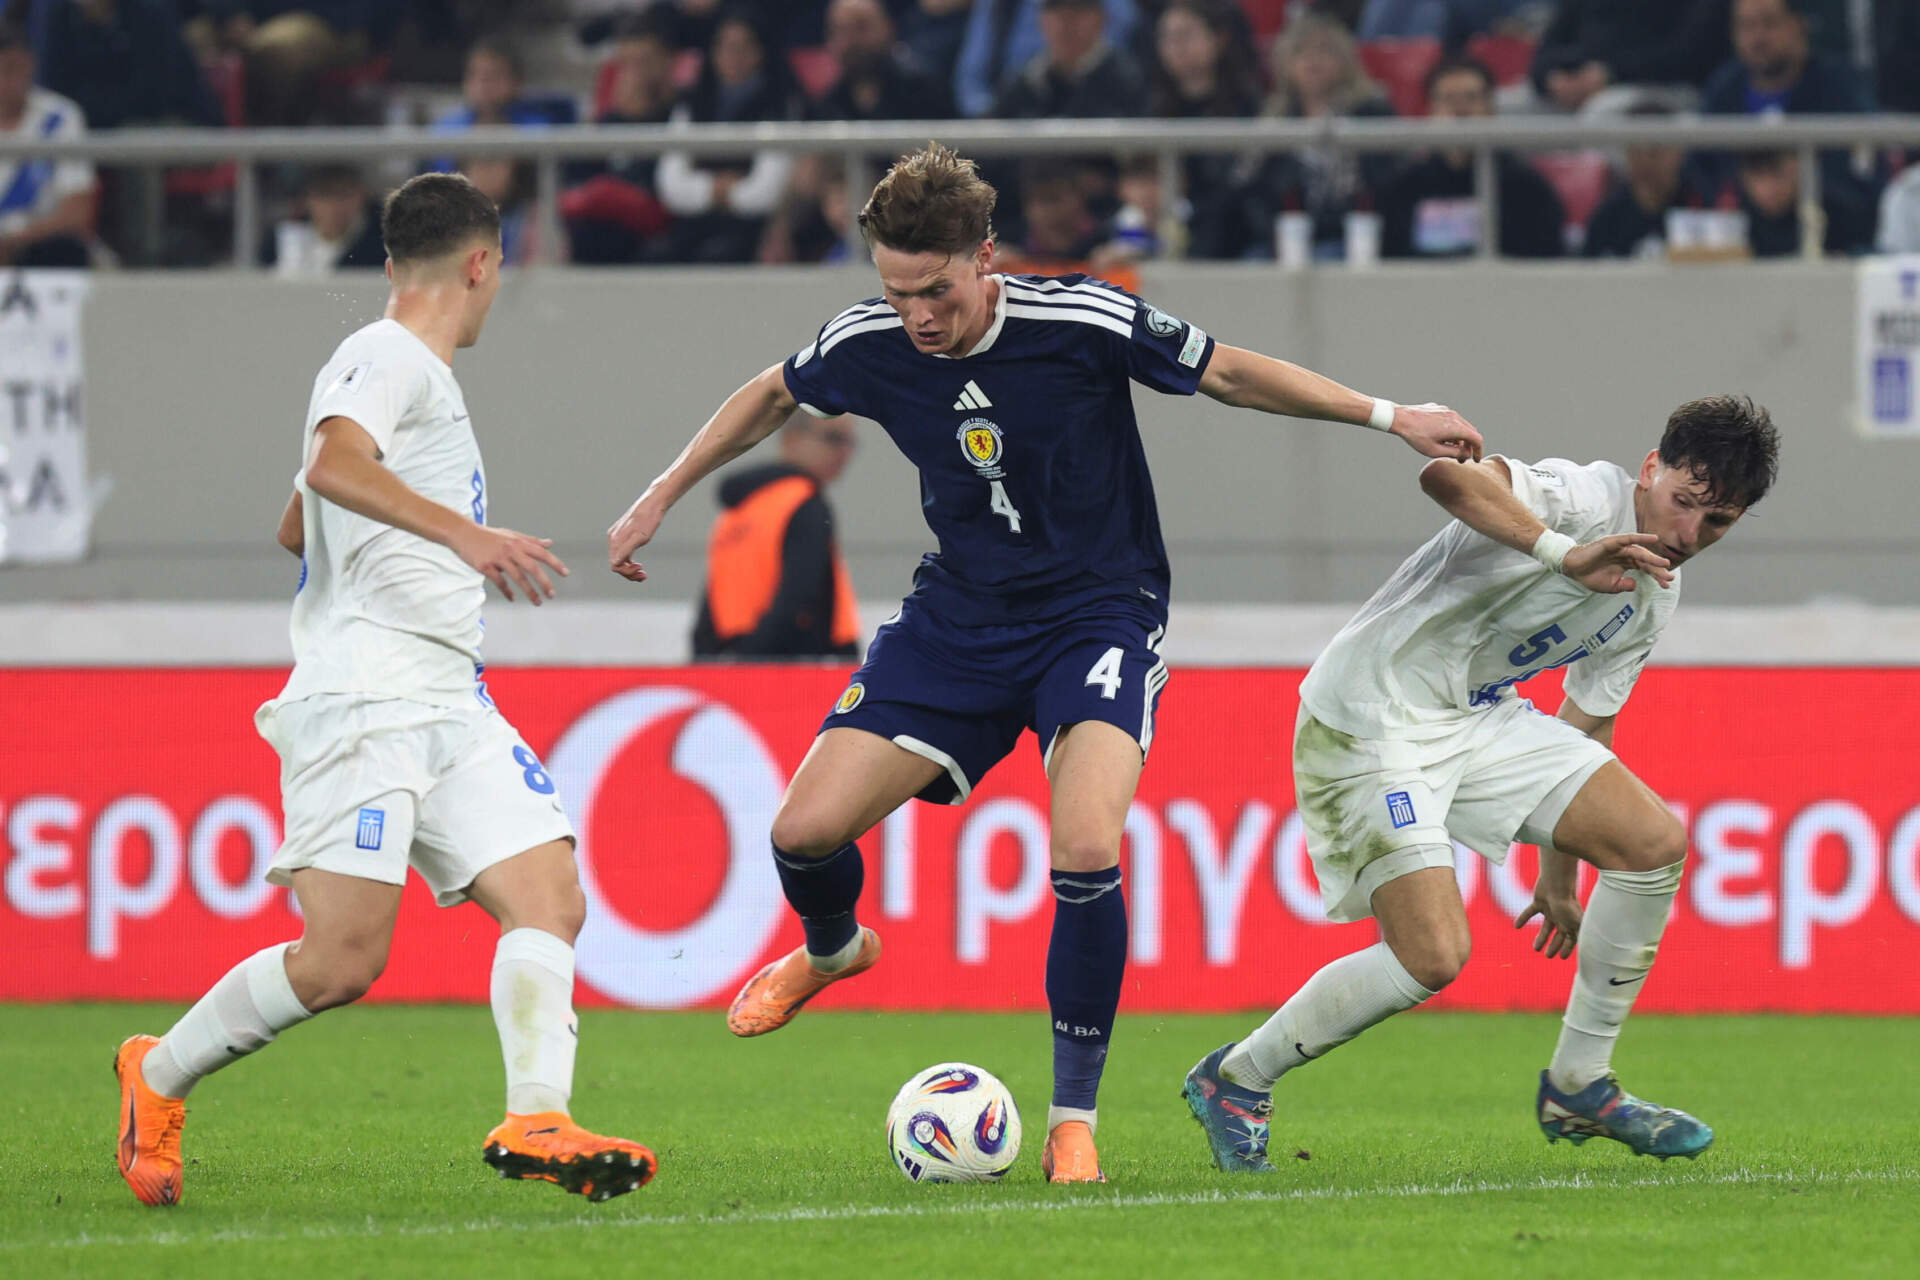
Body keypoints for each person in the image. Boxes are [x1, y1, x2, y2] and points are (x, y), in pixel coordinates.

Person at [605, 142, 1484, 1184]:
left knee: (1081, 844)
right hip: (957, 620)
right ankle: (835, 948)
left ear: (987, 261)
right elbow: (771, 393)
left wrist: (1392, 418)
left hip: (1097, 612)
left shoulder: (1082, 318)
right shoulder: (872, 340)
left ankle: (1074, 1119)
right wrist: (661, 488)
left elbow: (1233, 372)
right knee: (800, 831)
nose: (917, 316)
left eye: (935, 291)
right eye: (896, 292)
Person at [112, 173, 654, 1210]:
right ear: (482, 263)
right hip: (368, 692)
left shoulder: (411, 377)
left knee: (550, 894)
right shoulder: (386, 353)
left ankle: (537, 1114)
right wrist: (467, 534)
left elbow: (298, 518)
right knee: (342, 960)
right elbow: (330, 465)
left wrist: (382, 534)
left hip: (448, 691)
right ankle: (158, 1070)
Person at [1182, 395, 1780, 1173]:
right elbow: (1445, 477)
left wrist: (1557, 874)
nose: (1688, 535)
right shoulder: (1580, 495)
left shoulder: (1654, 592)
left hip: (1477, 718)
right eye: (1684, 504)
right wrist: (1563, 552)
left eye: (1718, 523)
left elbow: (1586, 722)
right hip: (1374, 713)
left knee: (1652, 844)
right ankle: (1237, 1078)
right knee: (1432, 957)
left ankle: (1580, 1084)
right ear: (1649, 470)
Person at [692, 413, 861, 660]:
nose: (845, 452)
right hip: (793, 668)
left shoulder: (736, 511)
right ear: (792, 438)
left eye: (850, 442)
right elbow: (800, 596)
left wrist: (710, 661)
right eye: (834, 438)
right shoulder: (804, 503)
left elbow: (712, 604)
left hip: (732, 660)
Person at [1379, 56, 1566, 260]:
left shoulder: (1527, 188)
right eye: (1448, 99)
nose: (1460, 111)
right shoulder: (1405, 188)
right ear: (1430, 110)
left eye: (1471, 98)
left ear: (1491, 109)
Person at [656, 6, 799, 263]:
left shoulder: (780, 103)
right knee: (659, 255)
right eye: (725, 47)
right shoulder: (693, 103)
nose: (734, 57)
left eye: (744, 47)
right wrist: (713, 189)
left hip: (751, 226)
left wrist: (728, 193)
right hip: (694, 221)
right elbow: (671, 183)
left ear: (761, 52)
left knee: (719, 254)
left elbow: (767, 190)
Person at [0, 20, 94, 268]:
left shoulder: (60, 118)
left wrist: (11, 242)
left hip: (37, 250)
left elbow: (77, 212)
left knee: (64, 252)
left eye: (12, 68)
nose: (4, 81)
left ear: (30, 64)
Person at [1530, 0, 1731, 112]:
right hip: (1578, 84)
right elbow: (1547, 48)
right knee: (1510, 113)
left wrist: (1611, 75)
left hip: (1662, 87)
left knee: (1601, 112)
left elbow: (1689, 56)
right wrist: (1551, 78)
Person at [262, 164, 387, 273]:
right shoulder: (281, 240)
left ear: (362, 196)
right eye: (325, 195)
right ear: (307, 200)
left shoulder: (383, 247)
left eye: (344, 194)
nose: (334, 205)